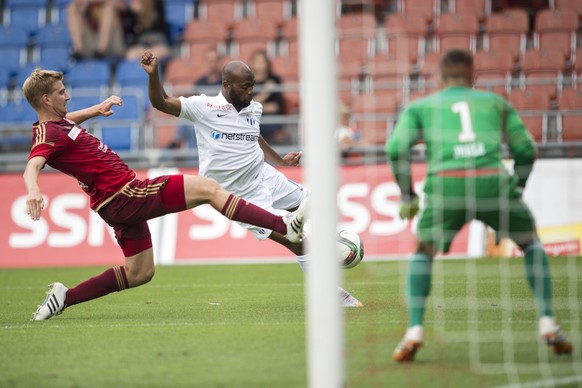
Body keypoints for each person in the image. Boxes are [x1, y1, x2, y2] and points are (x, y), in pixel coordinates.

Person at [23, 68, 308, 321]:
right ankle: (283, 225)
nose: (68, 97)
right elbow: (33, 164)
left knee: (140, 273)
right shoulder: (49, 134)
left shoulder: (59, 125)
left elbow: (67, 122)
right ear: (46, 100)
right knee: (208, 188)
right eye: (61, 93)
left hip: (115, 203)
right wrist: (34, 190)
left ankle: (65, 297)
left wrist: (95, 110)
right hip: (126, 193)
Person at [386, 49, 573, 362]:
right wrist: (517, 186)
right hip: (493, 182)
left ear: (439, 77)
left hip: (446, 185)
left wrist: (408, 195)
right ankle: (548, 322)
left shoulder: (422, 107)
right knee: (530, 245)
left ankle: (415, 330)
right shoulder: (494, 103)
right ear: (473, 76)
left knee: (423, 252)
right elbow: (526, 149)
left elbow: (395, 149)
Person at [141, 49, 363, 307]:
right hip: (237, 197)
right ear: (226, 85)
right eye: (245, 87)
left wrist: (279, 161)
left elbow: (253, 136)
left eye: (253, 86)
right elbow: (161, 102)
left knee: (319, 206)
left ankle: (337, 246)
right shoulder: (203, 107)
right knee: (297, 241)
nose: (251, 92)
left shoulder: (253, 109)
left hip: (265, 176)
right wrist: (154, 74)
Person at [249, 49, 287, 144]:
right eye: (258, 62)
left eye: (263, 62)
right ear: (252, 63)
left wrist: (255, 106)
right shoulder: (247, 81)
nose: (260, 65)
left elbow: (275, 107)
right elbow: (246, 106)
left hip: (271, 122)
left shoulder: (275, 80)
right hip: (252, 120)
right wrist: (265, 93)